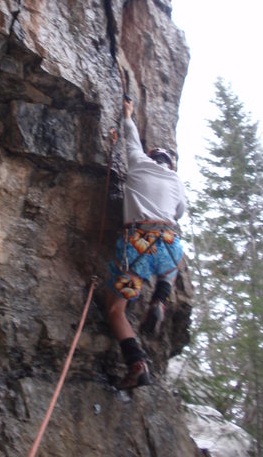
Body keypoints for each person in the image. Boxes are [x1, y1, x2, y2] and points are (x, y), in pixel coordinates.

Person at [105, 96, 187, 390]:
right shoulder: (177, 182)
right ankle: (161, 296)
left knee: (116, 309)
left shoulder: (139, 162)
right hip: (167, 241)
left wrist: (127, 112)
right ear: (170, 165)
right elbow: (179, 213)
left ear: (152, 157)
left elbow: (130, 136)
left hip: (137, 246)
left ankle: (137, 363)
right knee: (172, 256)